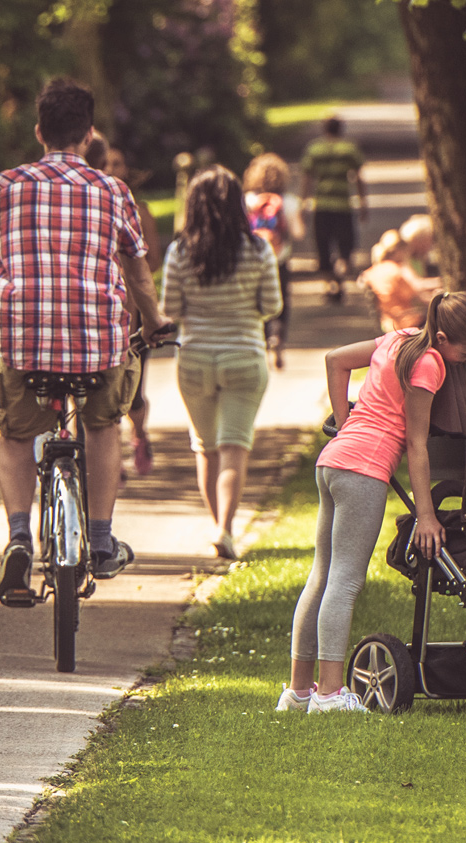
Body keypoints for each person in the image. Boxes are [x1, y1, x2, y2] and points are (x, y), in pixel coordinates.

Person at [0, 77, 172, 605]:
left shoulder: (7, 185)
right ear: (88, 134)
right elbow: (138, 273)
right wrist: (156, 322)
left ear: (38, 131)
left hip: (24, 341)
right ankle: (98, 539)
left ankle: (21, 536)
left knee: (14, 434)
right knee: (103, 424)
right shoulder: (112, 190)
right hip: (98, 341)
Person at [279, 291, 466, 714]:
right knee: (345, 580)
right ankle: (329, 694)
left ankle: (298, 692)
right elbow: (416, 445)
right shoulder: (429, 363)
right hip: (364, 471)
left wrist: (344, 424)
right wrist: (427, 517)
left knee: (321, 577)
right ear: (446, 336)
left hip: (333, 463)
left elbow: (335, 360)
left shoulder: (399, 338)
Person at [162, 165, 283, 561]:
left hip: (194, 358)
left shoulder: (180, 251)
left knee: (206, 448)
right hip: (244, 357)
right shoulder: (259, 249)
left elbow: (171, 308)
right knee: (235, 446)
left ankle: (218, 528)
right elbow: (272, 306)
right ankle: (225, 529)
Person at [103, 142, 164, 474]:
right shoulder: (90, 207)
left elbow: (152, 260)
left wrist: (128, 270)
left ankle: (139, 434)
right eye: (106, 163)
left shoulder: (139, 212)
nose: (112, 169)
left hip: (132, 312)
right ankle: (110, 460)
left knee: (132, 392)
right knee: (102, 392)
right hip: (96, 311)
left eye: (118, 163)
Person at [242, 152, 305, 370]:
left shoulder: (247, 200)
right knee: (280, 302)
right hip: (280, 258)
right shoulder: (288, 201)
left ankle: (261, 343)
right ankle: (277, 338)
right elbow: (298, 233)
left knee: (256, 301)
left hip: (252, 260)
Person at [299, 114, 368, 303]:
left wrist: (303, 204)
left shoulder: (315, 149)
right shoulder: (349, 149)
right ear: (341, 129)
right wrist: (363, 203)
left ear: (324, 129)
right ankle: (340, 274)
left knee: (323, 246)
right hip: (343, 206)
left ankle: (331, 283)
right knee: (345, 247)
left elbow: (307, 178)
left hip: (321, 206)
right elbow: (358, 177)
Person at [358, 229, 441, 333]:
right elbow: (417, 296)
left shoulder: (372, 271)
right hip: (403, 321)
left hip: (387, 320)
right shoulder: (396, 271)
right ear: (399, 251)